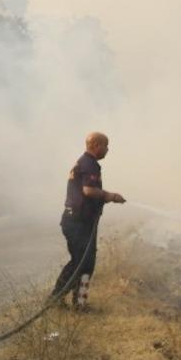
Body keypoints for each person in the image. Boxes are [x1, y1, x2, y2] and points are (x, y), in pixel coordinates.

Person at [52, 132, 125, 309]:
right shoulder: (89, 164)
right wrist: (110, 196)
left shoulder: (87, 163)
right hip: (77, 222)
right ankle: (55, 299)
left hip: (81, 221)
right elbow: (88, 190)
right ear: (97, 145)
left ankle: (79, 302)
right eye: (106, 146)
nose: (108, 150)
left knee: (86, 262)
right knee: (81, 262)